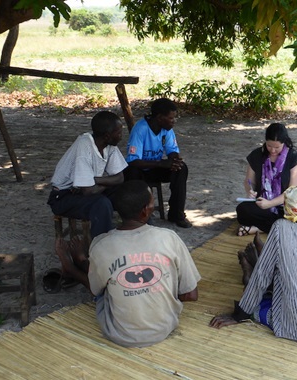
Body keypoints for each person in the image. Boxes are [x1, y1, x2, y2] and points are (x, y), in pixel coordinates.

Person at [54, 180, 201, 348]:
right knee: (112, 277)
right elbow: (190, 295)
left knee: (107, 279)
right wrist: (158, 291)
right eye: (152, 202)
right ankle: (78, 263)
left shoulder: (101, 244)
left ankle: (74, 265)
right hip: (164, 328)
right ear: (145, 211)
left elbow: (95, 289)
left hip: (119, 333)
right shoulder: (169, 238)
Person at [210, 186, 297, 344]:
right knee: (288, 274)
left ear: (287, 209)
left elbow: (262, 275)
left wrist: (239, 315)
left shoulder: (280, 228)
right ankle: (258, 261)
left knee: (261, 307)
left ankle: (253, 268)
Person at [48, 111, 127, 239]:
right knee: (102, 204)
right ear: (107, 136)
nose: (121, 136)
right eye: (118, 132)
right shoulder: (84, 146)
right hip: (63, 196)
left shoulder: (109, 145)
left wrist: (94, 180)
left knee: (129, 191)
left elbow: (120, 178)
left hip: (84, 189)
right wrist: (105, 183)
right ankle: (100, 247)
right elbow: (88, 191)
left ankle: (138, 236)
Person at [124, 98, 191, 228]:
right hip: (140, 170)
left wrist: (174, 160)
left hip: (155, 169)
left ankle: (176, 214)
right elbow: (133, 161)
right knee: (132, 171)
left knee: (181, 169)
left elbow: (172, 150)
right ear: (160, 117)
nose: (174, 121)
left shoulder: (167, 130)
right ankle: (140, 215)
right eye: (171, 118)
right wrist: (161, 163)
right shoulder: (140, 129)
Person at [236, 123, 297, 236]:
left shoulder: (294, 158)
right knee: (242, 210)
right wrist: (250, 191)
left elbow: (292, 192)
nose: (272, 150)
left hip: (285, 206)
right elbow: (249, 181)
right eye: (269, 146)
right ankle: (277, 227)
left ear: (284, 143)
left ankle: (260, 228)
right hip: (262, 204)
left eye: (277, 147)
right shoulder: (257, 155)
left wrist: (271, 203)